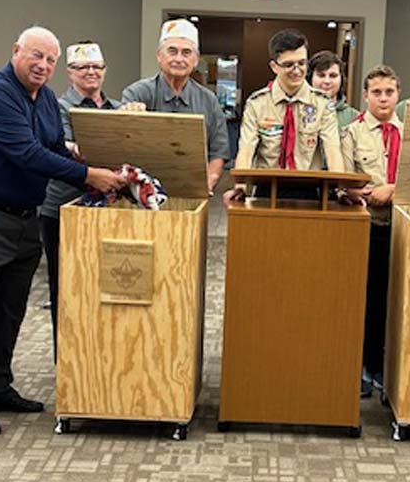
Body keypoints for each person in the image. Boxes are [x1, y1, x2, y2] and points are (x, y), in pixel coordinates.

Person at [0, 26, 126, 436]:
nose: (43, 65)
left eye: (50, 60)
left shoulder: (44, 99)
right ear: (16, 51)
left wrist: (91, 167)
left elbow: (53, 148)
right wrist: (89, 175)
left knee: (10, 309)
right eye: (36, 56)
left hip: (24, 216)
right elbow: (26, 153)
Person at [39, 41, 121, 362]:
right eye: (83, 67)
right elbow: (67, 149)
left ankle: (98, 358)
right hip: (63, 209)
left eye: (97, 67)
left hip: (107, 210)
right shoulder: (55, 108)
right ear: (70, 72)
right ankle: (67, 361)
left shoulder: (116, 108)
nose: (91, 72)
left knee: (103, 285)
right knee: (66, 288)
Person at [223, 29, 343, 204]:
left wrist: (341, 190)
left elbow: (332, 150)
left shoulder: (321, 103)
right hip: (266, 188)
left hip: (308, 190)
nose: (297, 70)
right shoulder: (257, 103)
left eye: (302, 63)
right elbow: (246, 149)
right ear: (274, 66)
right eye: (289, 65)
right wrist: (240, 187)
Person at [341, 65, 403, 398]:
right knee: (367, 299)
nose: (383, 98)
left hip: (403, 229)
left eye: (389, 92)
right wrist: (364, 193)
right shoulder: (352, 134)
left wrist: (391, 189)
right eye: (376, 92)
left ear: (398, 95)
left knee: (395, 301)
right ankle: (364, 366)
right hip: (368, 226)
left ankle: (385, 367)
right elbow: (344, 181)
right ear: (365, 96)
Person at [121, 19, 230, 193]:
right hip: (142, 193)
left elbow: (218, 152)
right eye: (172, 51)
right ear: (159, 56)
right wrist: (130, 116)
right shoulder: (137, 93)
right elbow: (123, 145)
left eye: (186, 53)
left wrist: (207, 184)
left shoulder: (208, 100)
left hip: (191, 189)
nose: (179, 59)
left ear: (196, 60)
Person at [308, 50, 359, 130]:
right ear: (311, 78)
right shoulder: (299, 111)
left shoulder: (354, 117)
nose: (327, 81)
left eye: (333, 76)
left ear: (341, 79)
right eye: (321, 75)